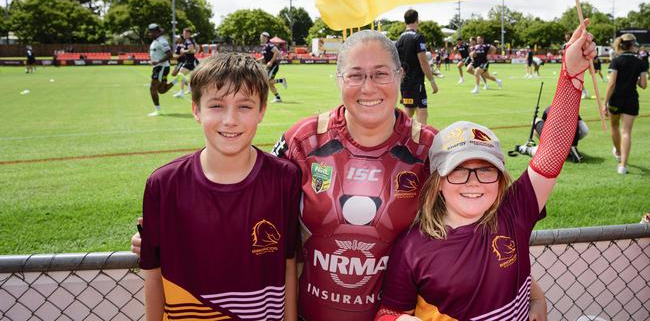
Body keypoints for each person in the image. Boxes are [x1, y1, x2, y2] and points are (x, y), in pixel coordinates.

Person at [132, 30, 548, 321]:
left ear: (400, 76)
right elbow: (252, 196)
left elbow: (486, 224)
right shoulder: (300, 140)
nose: (369, 86)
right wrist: (169, 232)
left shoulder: (430, 149)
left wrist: (526, 291)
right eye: (355, 74)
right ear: (338, 80)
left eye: (381, 73)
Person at [374, 22, 595, 321]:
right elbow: (389, 311)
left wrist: (571, 74)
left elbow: (551, 154)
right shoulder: (412, 246)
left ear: (501, 178)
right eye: (459, 171)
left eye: (485, 170)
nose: (473, 183)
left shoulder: (513, 212)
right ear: (437, 182)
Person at [139, 53, 301, 321]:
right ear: (196, 110)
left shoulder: (285, 179)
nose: (230, 120)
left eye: (245, 107)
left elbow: (289, 264)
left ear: (262, 111)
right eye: (216, 105)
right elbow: (153, 275)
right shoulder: (163, 185)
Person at [603, 33, 648, 174]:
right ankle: (623, 165)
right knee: (626, 132)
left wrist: (604, 103)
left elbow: (611, 84)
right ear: (633, 45)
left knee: (614, 127)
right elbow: (643, 85)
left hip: (616, 99)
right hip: (631, 99)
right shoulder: (640, 62)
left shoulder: (616, 61)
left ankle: (618, 152)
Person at [395, 9, 438, 125]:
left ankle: (403, 139)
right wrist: (432, 81)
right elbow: (423, 61)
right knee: (421, 114)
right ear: (417, 19)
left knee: (409, 112)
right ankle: (419, 141)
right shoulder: (418, 37)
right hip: (416, 82)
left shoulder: (399, 39)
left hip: (404, 82)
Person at [147, 23, 176, 116]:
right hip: (159, 67)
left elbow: (170, 55)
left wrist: (158, 62)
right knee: (162, 90)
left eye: (150, 32)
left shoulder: (162, 41)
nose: (149, 34)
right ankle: (178, 79)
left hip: (161, 67)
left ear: (156, 32)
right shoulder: (155, 41)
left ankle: (158, 110)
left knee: (152, 88)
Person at [259, 31, 287, 103]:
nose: (260, 38)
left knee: (267, 82)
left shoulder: (270, 45)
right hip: (269, 67)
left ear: (265, 37)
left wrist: (271, 62)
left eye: (261, 37)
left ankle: (281, 80)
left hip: (273, 66)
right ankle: (278, 97)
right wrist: (256, 60)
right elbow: (264, 57)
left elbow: (277, 52)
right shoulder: (265, 46)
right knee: (269, 83)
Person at [172, 28, 200, 98]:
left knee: (180, 75)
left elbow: (191, 50)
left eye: (184, 33)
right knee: (181, 75)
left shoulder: (188, 40)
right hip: (188, 61)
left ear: (188, 34)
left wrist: (183, 51)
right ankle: (184, 90)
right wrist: (194, 51)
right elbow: (197, 48)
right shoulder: (189, 40)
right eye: (183, 33)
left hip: (191, 62)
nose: (183, 34)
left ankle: (187, 89)